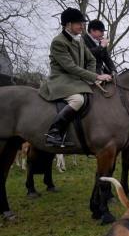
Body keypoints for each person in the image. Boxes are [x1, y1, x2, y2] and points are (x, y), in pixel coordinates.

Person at [39, 8, 112, 147]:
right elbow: (71, 67)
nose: (83, 26)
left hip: (75, 80)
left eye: (82, 23)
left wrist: (91, 78)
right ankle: (54, 133)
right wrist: (96, 76)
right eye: (79, 23)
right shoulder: (58, 42)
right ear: (68, 24)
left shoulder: (79, 41)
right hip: (61, 80)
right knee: (78, 100)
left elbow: (91, 60)